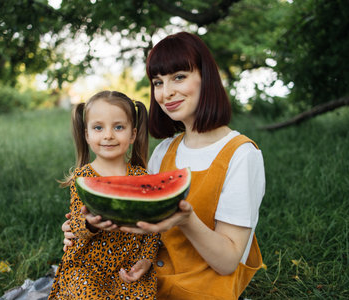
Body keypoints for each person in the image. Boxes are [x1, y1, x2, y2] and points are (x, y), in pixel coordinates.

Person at [62, 32, 266, 299]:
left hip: (201, 289)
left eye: (179, 77)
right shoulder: (164, 151)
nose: (166, 92)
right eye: (158, 82)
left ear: (207, 78)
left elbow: (227, 262)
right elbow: (140, 224)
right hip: (144, 282)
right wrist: (82, 228)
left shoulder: (241, 154)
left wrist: (186, 220)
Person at [49, 91, 160, 299]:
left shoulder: (142, 178)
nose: (108, 135)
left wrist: (146, 260)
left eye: (118, 127)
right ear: (87, 135)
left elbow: (152, 228)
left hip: (128, 268)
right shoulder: (82, 179)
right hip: (87, 267)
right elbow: (75, 228)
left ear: (133, 134)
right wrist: (90, 224)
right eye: (98, 127)